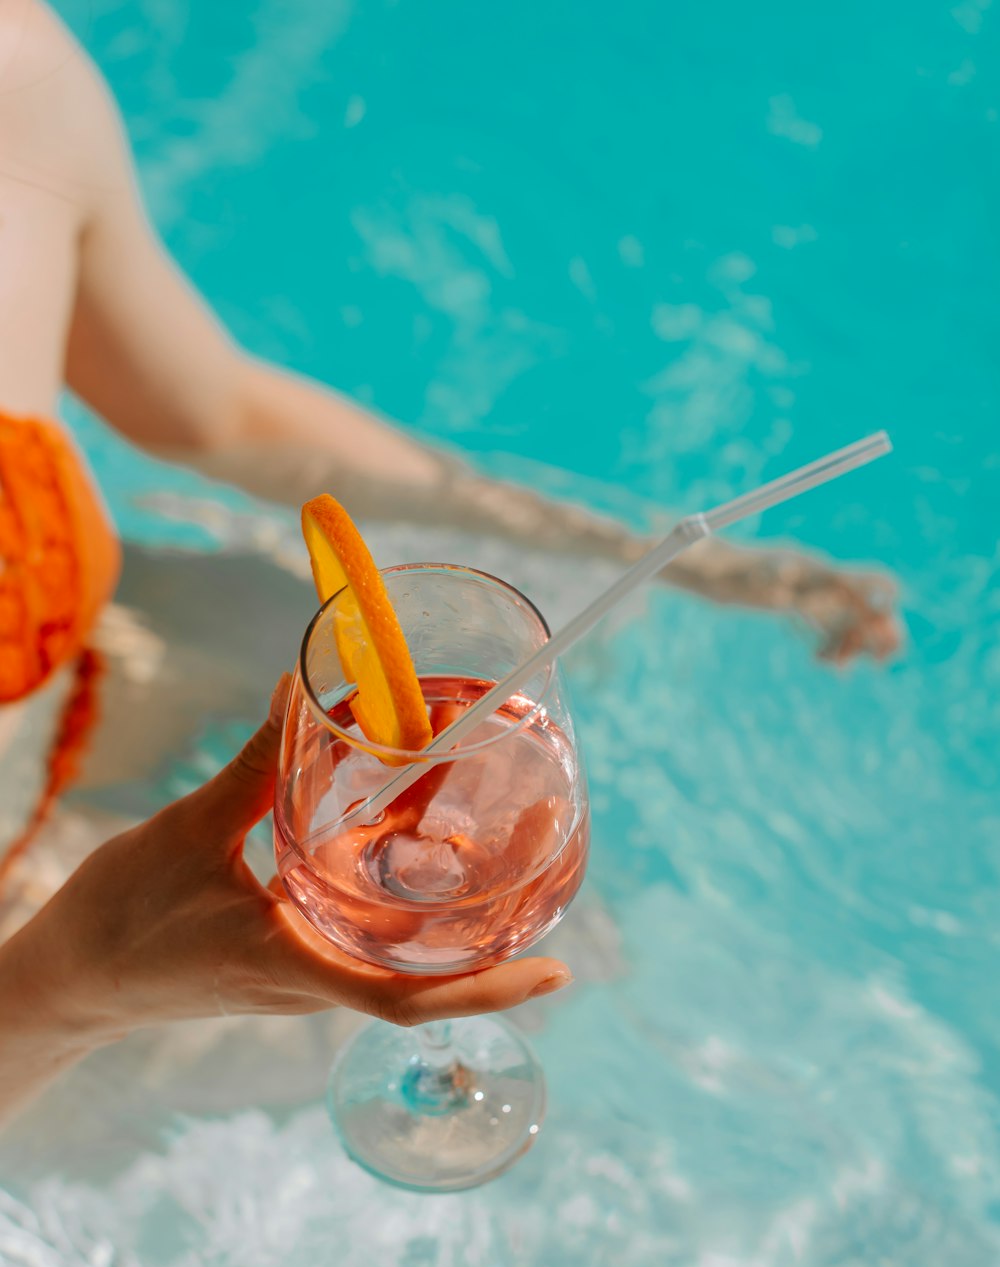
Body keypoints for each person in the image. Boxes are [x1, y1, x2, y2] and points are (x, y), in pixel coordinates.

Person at [0, 1, 899, 1121]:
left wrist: (665, 556)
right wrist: (81, 977)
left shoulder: (15, 79)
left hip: (90, 673)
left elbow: (215, 413)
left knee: (513, 889)